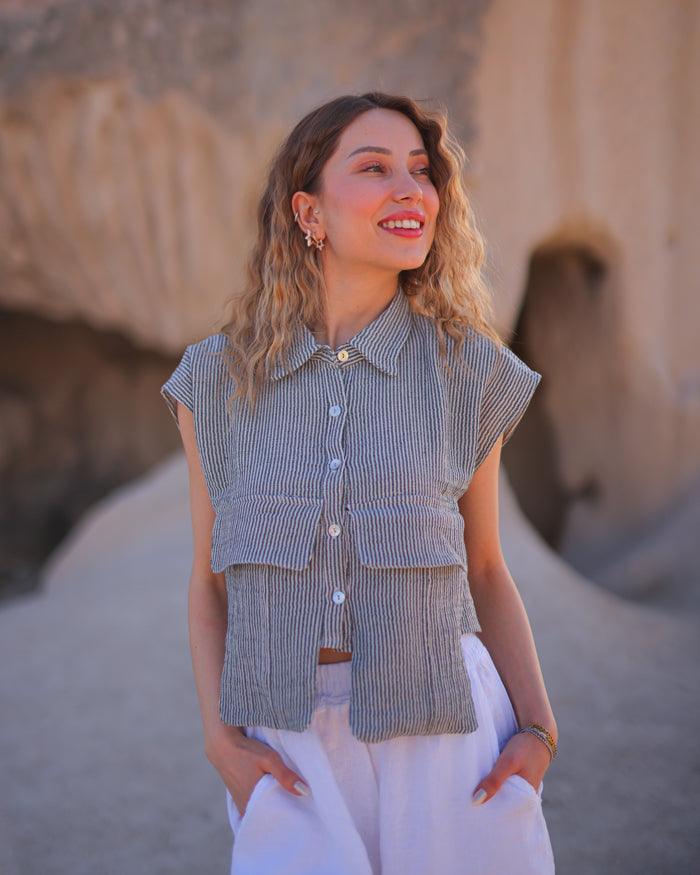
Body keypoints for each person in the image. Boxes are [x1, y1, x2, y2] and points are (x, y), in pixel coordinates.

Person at [161, 91, 557, 874]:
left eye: (421, 170)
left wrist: (539, 732)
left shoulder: (470, 371)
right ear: (308, 210)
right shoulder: (215, 381)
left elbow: (485, 568)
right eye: (374, 168)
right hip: (286, 743)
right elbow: (208, 584)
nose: (410, 188)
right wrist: (219, 740)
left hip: (450, 738)